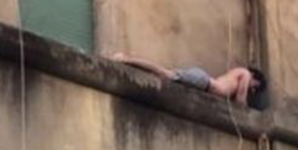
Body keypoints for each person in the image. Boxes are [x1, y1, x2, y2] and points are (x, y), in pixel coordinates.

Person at [110, 52, 267, 109]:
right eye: (255, 87)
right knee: (164, 73)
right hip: (204, 82)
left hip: (203, 82)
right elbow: (240, 101)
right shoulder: (245, 74)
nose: (252, 90)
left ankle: (127, 59)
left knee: (164, 74)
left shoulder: (236, 74)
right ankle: (125, 59)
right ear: (255, 78)